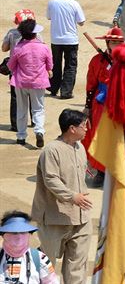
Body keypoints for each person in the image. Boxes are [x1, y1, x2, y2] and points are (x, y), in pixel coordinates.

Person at [31, 109, 92, 284]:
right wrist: (73, 196)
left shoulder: (80, 148)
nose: (86, 129)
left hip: (81, 217)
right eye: (83, 126)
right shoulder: (51, 150)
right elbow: (51, 180)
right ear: (72, 128)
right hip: (55, 217)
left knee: (77, 265)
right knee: (46, 263)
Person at [82, 27, 124, 186]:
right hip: (102, 103)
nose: (117, 45)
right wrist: (88, 106)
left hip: (122, 103)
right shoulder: (97, 61)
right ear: (107, 43)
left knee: (120, 137)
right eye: (114, 42)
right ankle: (101, 171)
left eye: (120, 42)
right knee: (100, 136)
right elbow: (91, 85)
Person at [7, 19, 52, 148]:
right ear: (34, 34)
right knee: (38, 109)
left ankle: (21, 136)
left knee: (21, 109)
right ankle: (39, 131)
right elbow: (50, 65)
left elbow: (11, 65)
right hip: (38, 82)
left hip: (21, 82)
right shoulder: (44, 47)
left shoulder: (18, 48)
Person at [3, 9, 43, 132]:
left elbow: (4, 48)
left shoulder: (11, 33)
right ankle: (35, 121)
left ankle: (16, 124)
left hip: (16, 70)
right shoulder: (37, 35)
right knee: (34, 98)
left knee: (16, 98)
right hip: (34, 70)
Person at [46, 0, 85, 99]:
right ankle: (66, 92)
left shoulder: (52, 1)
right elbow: (81, 22)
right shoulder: (74, 3)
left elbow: (49, 17)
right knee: (70, 65)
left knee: (55, 64)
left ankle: (53, 88)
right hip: (71, 39)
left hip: (56, 39)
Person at [0, 210, 59, 284]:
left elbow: (52, 282)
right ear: (3, 235)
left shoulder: (40, 258)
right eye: (13, 232)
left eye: (23, 232)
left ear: (29, 234)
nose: (19, 237)